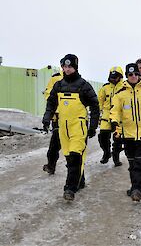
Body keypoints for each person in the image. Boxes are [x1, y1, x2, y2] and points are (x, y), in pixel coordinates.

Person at [42, 54, 100, 201]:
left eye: (70, 67)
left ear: (75, 67)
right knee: (69, 158)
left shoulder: (83, 85)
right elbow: (51, 103)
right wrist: (47, 118)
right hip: (63, 128)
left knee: (75, 157)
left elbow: (95, 105)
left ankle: (69, 189)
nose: (67, 70)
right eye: (65, 67)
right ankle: (79, 181)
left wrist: (93, 126)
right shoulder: (58, 85)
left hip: (78, 127)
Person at [110, 63, 141, 202]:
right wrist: (115, 124)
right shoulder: (120, 94)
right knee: (132, 165)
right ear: (127, 76)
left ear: (139, 75)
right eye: (130, 74)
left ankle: (138, 190)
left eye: (136, 74)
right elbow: (115, 111)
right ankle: (134, 187)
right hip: (128, 135)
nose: (133, 77)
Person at [97, 66, 124, 167]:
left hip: (120, 117)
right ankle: (106, 152)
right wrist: (98, 115)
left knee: (118, 139)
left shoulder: (125, 87)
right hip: (106, 116)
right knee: (102, 137)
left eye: (115, 77)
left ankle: (116, 157)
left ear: (120, 76)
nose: (113, 79)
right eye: (112, 76)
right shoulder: (105, 88)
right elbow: (99, 102)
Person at [42, 69, 63, 175]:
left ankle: (51, 166)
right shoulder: (78, 80)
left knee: (54, 145)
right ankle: (78, 176)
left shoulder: (55, 78)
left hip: (58, 117)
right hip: (72, 119)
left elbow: (49, 96)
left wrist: (48, 116)